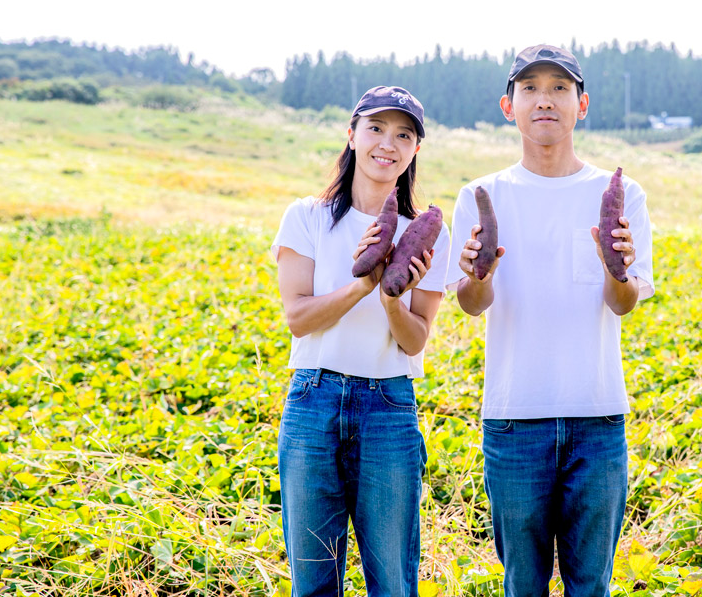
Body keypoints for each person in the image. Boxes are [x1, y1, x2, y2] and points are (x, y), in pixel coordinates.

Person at [445, 45, 655, 597]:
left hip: (597, 418)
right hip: (514, 420)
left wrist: (615, 266)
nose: (545, 100)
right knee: (523, 585)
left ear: (582, 105)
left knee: (591, 586)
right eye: (531, 88)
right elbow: (471, 303)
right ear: (508, 106)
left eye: (560, 88)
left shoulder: (620, 195)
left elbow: (623, 302)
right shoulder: (481, 196)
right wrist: (481, 272)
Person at [272, 85, 450, 597]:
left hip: (388, 406)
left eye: (404, 135)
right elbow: (298, 319)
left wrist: (393, 296)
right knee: (313, 578)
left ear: (416, 149)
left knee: (393, 580)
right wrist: (363, 284)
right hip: (314, 401)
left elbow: (415, 341)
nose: (387, 144)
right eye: (375, 128)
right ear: (351, 136)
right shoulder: (306, 216)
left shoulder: (427, 233)